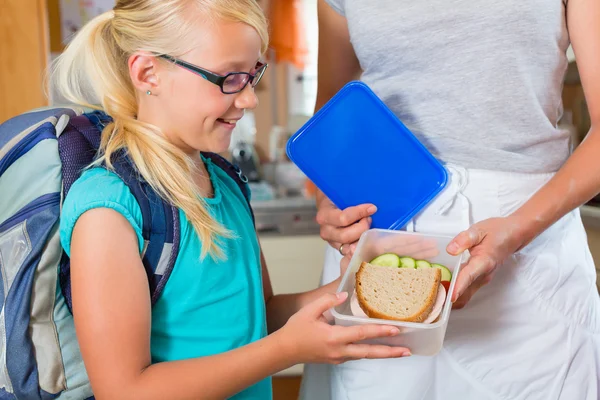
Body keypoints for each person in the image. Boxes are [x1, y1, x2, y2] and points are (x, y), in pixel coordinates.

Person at [52, 1, 412, 399]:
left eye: (253, 75)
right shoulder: (109, 207)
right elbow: (124, 391)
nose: (249, 100)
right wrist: (286, 351)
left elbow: (261, 312)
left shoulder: (222, 180)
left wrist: (353, 287)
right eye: (229, 78)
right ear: (147, 72)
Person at [299, 0, 600, 399]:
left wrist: (515, 231)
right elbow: (332, 117)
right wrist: (331, 200)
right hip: (382, 238)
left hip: (526, 233)